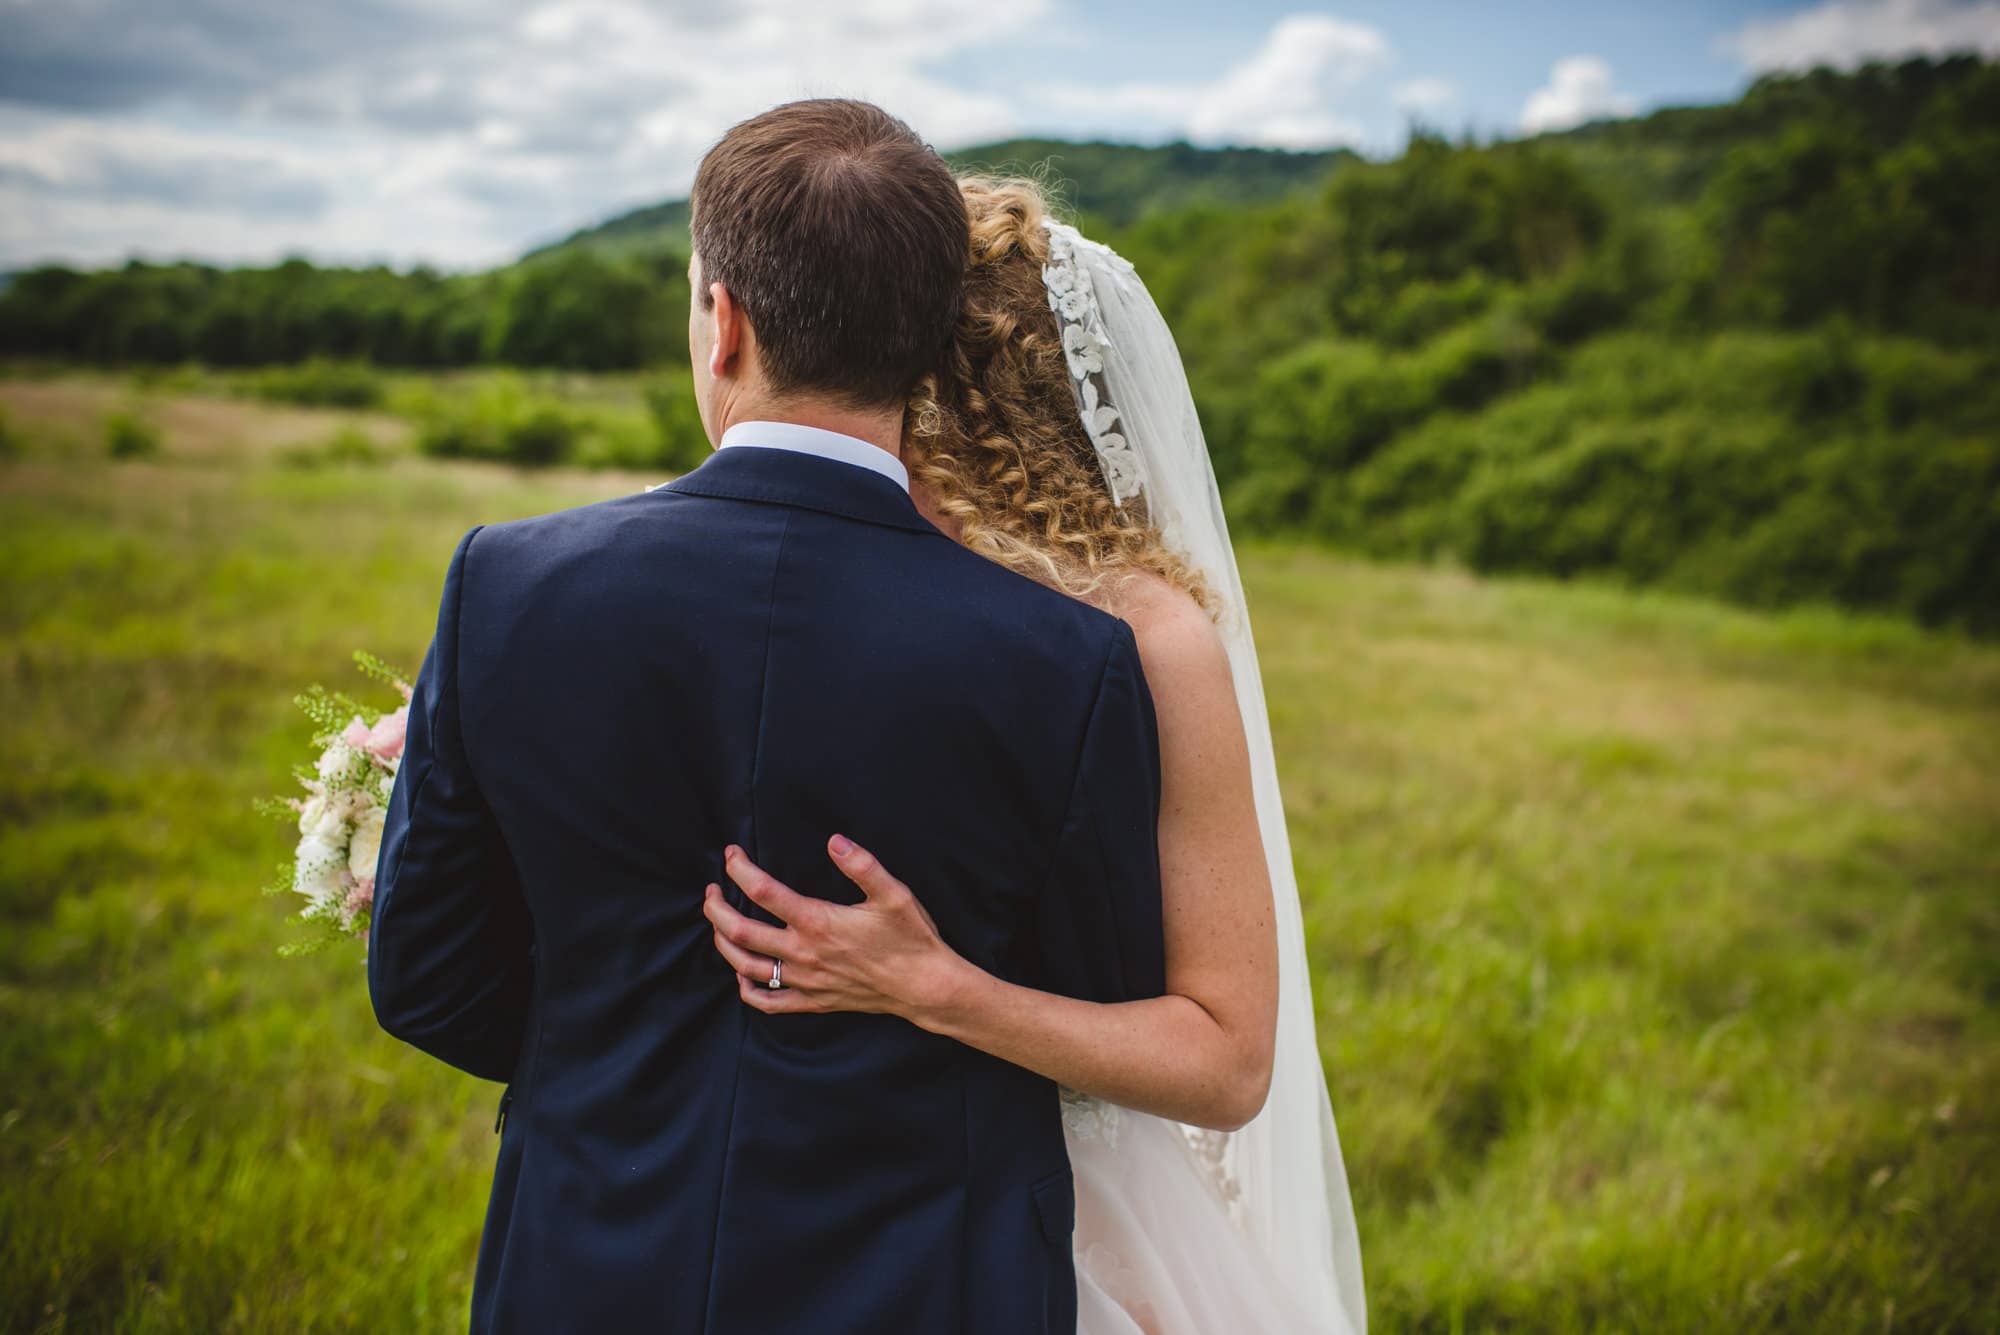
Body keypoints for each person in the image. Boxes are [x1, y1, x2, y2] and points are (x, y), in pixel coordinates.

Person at [366, 101, 1171, 1334]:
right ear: (923, 335)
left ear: (724, 319)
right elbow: (1107, 1012)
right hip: (928, 1286)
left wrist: (613, 1051)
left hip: (583, 1268)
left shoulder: (507, 585)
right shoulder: (1069, 660)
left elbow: (425, 982)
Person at [701, 176, 1368, 1333]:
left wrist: (939, 988)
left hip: (1059, 1227)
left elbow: (1225, 1062)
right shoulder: (785, 572)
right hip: (767, 1192)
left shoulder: (1148, 642)